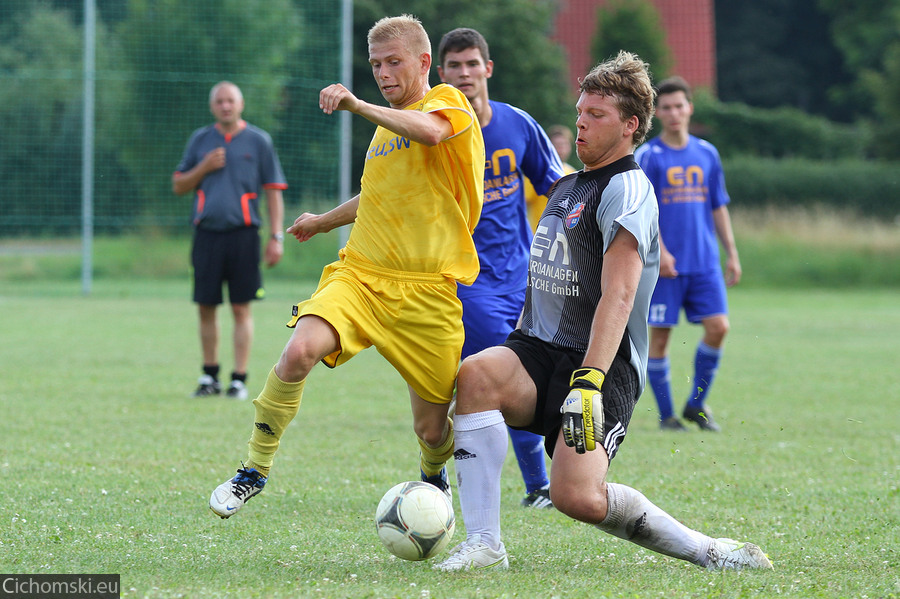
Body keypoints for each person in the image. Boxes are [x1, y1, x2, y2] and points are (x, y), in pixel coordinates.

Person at [434, 52, 772, 572]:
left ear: (630, 125)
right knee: (476, 376)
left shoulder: (628, 188)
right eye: (580, 112)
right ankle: (484, 544)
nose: (581, 123)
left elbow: (618, 294)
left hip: (601, 363)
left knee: (579, 499)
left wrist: (588, 381)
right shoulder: (568, 185)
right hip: (539, 348)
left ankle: (709, 551)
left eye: (596, 115)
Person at [208, 15, 484, 518]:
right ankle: (254, 468)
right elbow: (377, 196)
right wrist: (323, 221)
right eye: (375, 64)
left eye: (393, 62)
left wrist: (358, 105)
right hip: (360, 276)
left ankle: (431, 474)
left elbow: (431, 133)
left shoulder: (447, 103)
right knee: (298, 352)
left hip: (428, 291)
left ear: (424, 63)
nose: (382, 72)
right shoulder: (384, 133)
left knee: (432, 427)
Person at [437, 27, 565, 509]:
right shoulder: (436, 131)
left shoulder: (516, 124)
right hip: (466, 280)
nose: (465, 74)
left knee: (515, 374)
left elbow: (555, 182)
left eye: (473, 64)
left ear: (488, 69)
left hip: (526, 277)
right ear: (440, 73)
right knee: (507, 372)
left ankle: (436, 469)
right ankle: (536, 487)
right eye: (455, 66)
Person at [634, 76, 742, 432]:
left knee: (718, 328)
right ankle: (667, 417)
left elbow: (718, 206)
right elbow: (645, 211)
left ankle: (696, 403)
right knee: (660, 338)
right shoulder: (649, 156)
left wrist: (731, 253)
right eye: (666, 107)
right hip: (666, 267)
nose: (674, 113)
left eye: (680, 106)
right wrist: (660, 252)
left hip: (704, 262)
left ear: (689, 108)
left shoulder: (707, 153)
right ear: (657, 112)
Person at [173, 81, 286, 400]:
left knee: (241, 307)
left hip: (245, 235)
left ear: (241, 104)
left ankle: (239, 379)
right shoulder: (201, 140)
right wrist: (204, 167)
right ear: (212, 107)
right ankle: (209, 377)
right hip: (207, 235)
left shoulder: (258, 141)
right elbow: (179, 185)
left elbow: (274, 191)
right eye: (220, 101)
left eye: (231, 101)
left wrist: (276, 237)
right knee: (206, 306)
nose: (225, 106)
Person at [525, 125, 577, 231]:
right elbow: (522, 204)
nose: (561, 148)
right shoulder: (537, 171)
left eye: (564, 144)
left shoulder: (573, 173)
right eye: (557, 145)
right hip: (537, 235)